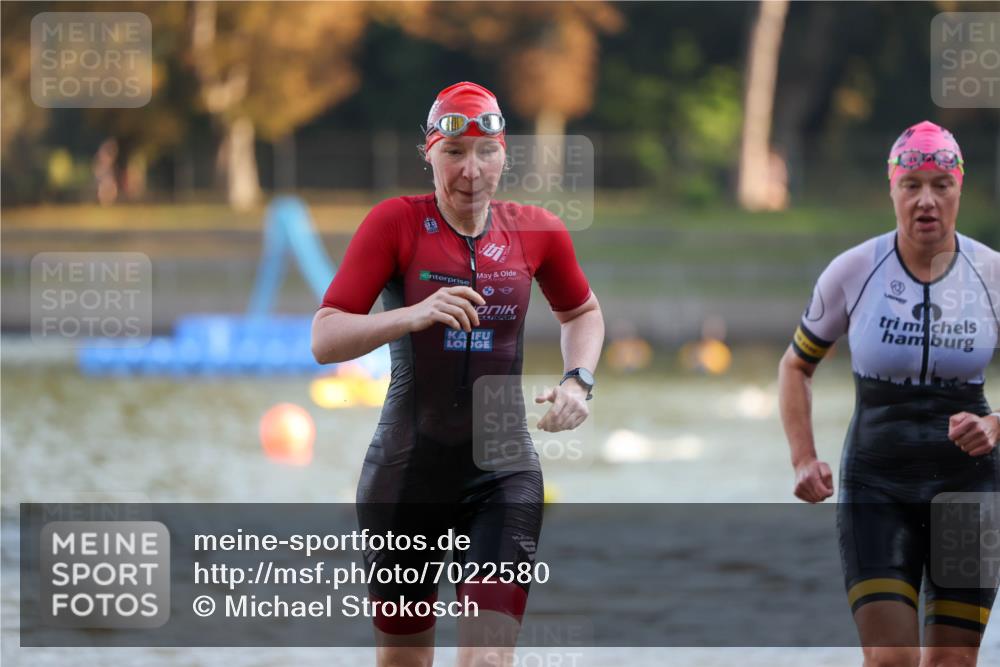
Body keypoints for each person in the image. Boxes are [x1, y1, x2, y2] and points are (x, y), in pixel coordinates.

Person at [312, 81, 604, 667]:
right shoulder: (393, 224)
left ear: (505, 154)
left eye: (485, 153)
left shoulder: (537, 231)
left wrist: (579, 380)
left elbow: (583, 313)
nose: (471, 172)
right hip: (407, 469)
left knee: (489, 660)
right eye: (453, 155)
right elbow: (325, 336)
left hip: (503, 468)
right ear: (429, 153)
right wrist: (412, 314)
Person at [778, 120, 1000, 666]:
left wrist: (996, 425)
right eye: (912, 185)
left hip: (969, 488)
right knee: (889, 659)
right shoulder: (853, 270)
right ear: (893, 190)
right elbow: (795, 367)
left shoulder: (992, 274)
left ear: (959, 190)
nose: (926, 200)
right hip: (879, 484)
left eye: (940, 185)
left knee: (952, 663)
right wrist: (804, 458)